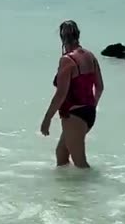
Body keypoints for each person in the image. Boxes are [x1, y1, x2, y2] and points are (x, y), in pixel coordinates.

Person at [41, 20, 104, 168]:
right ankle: (67, 190)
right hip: (88, 113)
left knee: (80, 163)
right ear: (78, 35)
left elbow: (60, 94)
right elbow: (100, 87)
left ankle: (93, 189)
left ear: (62, 38)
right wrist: (90, 107)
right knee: (61, 153)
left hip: (74, 115)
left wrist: (47, 119)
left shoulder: (67, 60)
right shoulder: (90, 56)